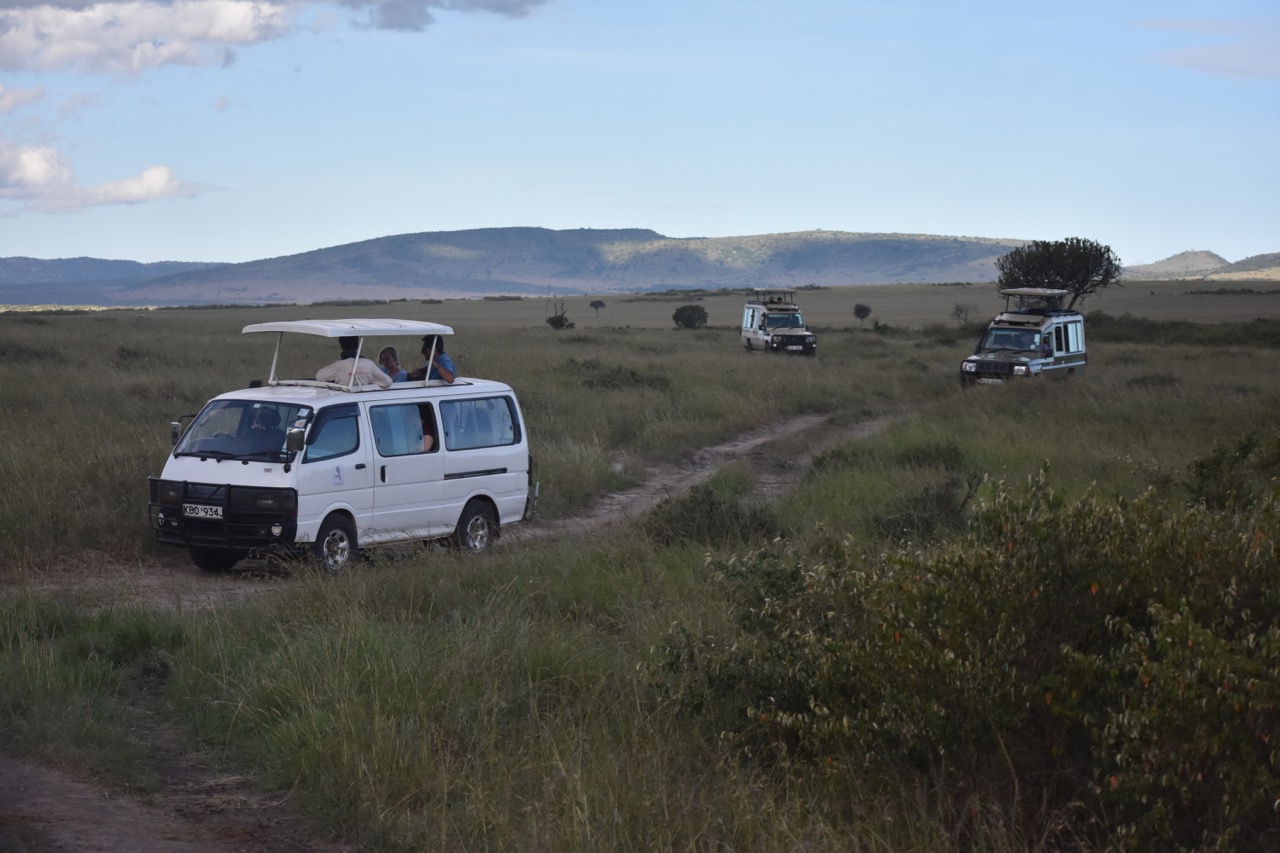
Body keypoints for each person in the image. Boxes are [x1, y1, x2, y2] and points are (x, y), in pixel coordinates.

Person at [316, 336, 392, 388]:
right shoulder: (369, 364)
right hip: (363, 400)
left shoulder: (340, 365)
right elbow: (387, 382)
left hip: (344, 401)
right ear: (357, 345)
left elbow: (319, 376)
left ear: (341, 346)